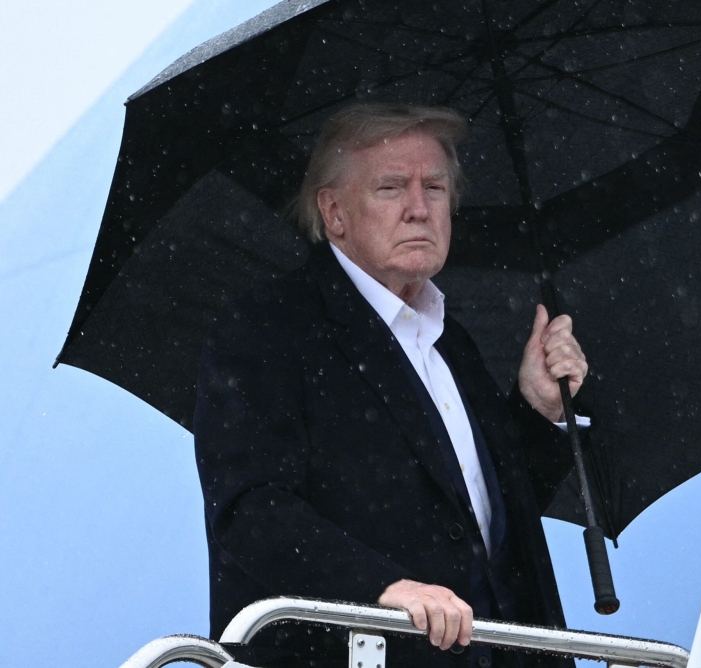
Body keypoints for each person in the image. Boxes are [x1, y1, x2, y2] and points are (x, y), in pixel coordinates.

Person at [193, 103, 589, 668]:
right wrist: (386, 589)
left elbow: (483, 521)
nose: (419, 209)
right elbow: (250, 510)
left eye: (435, 186)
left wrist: (538, 409)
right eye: (390, 188)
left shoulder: (454, 342)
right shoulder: (267, 328)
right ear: (334, 212)